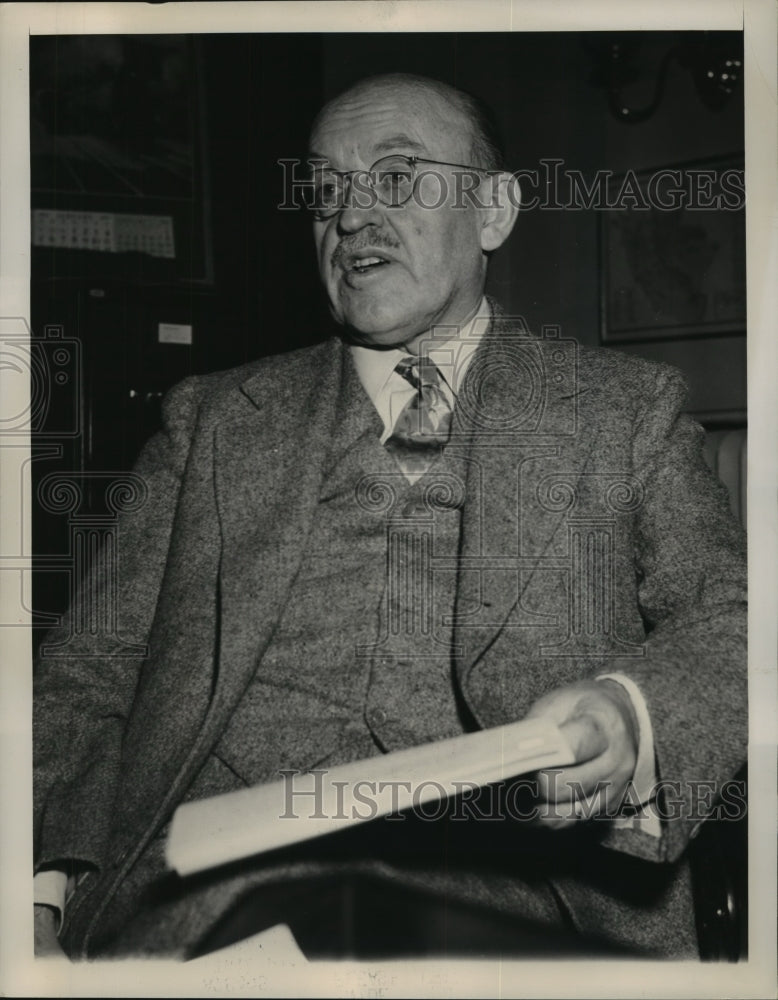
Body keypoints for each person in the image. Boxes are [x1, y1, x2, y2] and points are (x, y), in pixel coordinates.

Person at [33, 72, 747, 960]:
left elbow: (736, 620)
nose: (351, 218)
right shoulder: (212, 419)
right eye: (327, 192)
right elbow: (84, 672)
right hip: (197, 900)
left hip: (519, 903)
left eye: (398, 178)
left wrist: (631, 714)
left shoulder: (623, 413)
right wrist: (36, 890)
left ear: (493, 212)